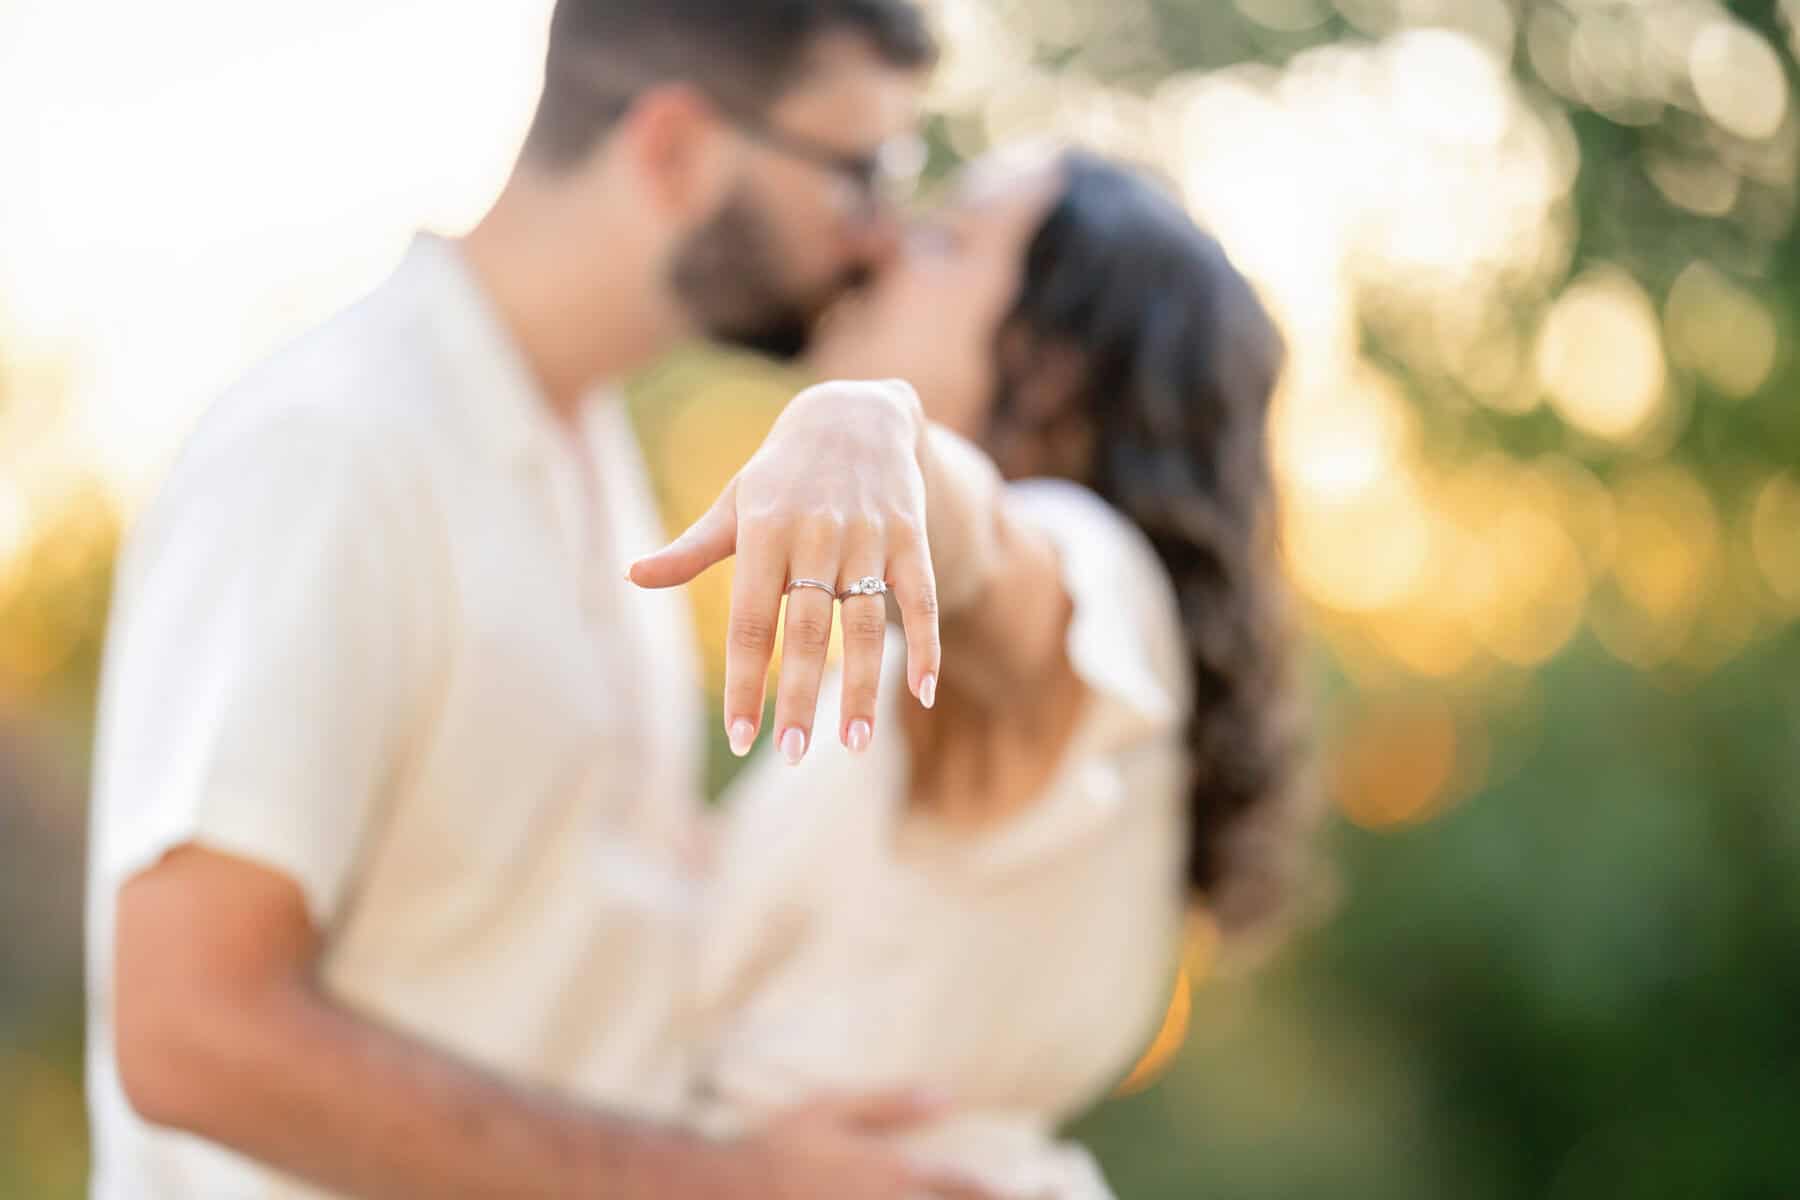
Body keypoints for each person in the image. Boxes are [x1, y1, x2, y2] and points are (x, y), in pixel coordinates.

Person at [88, 3, 1000, 1198]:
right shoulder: (338, 448)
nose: (879, 239)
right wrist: (734, 1187)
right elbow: (191, 1036)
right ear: (672, 147)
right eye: (859, 172)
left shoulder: (586, 447)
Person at [636, 150, 1314, 1198]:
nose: (886, 249)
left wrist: (874, 427)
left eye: (949, 238)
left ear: (1053, 364)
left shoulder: (1090, 573)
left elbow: (988, 551)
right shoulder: (912, 643)